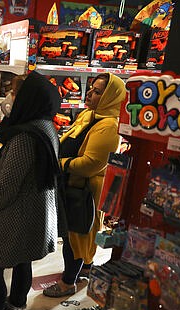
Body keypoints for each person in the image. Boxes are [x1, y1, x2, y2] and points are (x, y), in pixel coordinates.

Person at [0, 71, 61, 310]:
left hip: (19, 212)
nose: (10, 98)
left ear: (28, 99)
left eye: (16, 93)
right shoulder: (45, 126)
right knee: (23, 259)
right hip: (38, 210)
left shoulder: (25, 136)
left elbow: (10, 182)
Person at [43, 73, 125, 297]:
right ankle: (84, 268)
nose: (89, 93)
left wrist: (59, 163)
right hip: (73, 185)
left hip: (86, 190)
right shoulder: (90, 115)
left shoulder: (109, 126)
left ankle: (68, 282)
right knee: (77, 234)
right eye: (91, 88)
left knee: (77, 236)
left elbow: (91, 164)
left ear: (111, 97)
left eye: (98, 92)